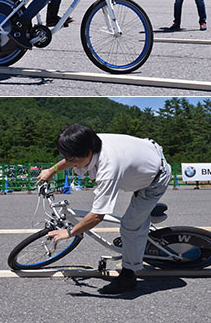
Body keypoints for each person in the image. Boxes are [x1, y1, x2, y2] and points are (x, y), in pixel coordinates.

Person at [36, 124, 171, 294]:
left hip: (155, 179)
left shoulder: (109, 166)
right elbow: (71, 157)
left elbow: (97, 215)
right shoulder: (89, 141)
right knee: (136, 215)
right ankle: (145, 214)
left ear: (88, 153)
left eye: (73, 160)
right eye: (67, 158)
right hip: (146, 159)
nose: (71, 164)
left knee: (129, 226)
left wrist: (70, 232)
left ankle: (129, 276)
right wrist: (52, 170)